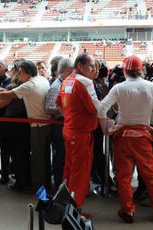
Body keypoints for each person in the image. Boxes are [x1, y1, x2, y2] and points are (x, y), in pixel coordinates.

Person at [98, 55, 153, 223]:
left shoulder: (119, 88)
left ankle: (128, 210)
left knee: (124, 176)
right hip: (143, 137)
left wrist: (106, 130)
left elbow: (101, 109)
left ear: (125, 71)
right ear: (141, 70)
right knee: (150, 174)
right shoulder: (152, 87)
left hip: (123, 136)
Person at [0, 60, 51, 192]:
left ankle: (35, 188)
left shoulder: (29, 85)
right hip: (40, 123)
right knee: (38, 157)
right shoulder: (40, 80)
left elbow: (7, 94)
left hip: (36, 125)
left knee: (33, 158)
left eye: (19, 72)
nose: (17, 74)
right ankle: (40, 185)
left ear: (27, 72)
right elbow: (8, 90)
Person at [56, 53, 99, 218]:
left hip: (69, 131)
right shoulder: (86, 82)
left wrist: (69, 119)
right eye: (91, 66)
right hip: (81, 134)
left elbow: (59, 103)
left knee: (69, 170)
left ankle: (64, 206)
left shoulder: (66, 80)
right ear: (80, 66)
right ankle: (74, 211)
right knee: (80, 173)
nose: (94, 70)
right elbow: (96, 108)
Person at [44, 57, 73, 190]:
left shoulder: (64, 84)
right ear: (68, 70)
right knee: (60, 156)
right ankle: (58, 184)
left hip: (63, 124)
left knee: (63, 155)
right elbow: (48, 110)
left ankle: (62, 183)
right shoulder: (56, 86)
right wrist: (66, 109)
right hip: (58, 125)